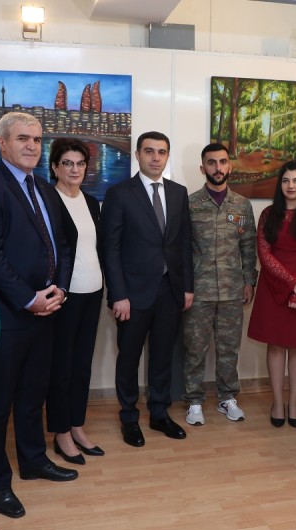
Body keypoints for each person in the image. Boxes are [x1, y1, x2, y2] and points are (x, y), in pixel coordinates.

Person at [0, 112, 76, 520]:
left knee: (32, 397)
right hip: (9, 315)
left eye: (37, 139)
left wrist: (59, 289)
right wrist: (29, 299)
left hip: (47, 310)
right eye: (22, 138)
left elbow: (63, 243)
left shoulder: (44, 188)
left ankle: (33, 460)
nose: (32, 146)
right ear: (2, 143)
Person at [101, 130, 194, 447]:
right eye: (149, 151)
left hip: (170, 291)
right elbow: (110, 249)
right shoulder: (119, 193)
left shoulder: (179, 193)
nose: (156, 157)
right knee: (128, 358)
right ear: (138, 154)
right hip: (132, 294)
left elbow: (184, 244)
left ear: (167, 156)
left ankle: (159, 413)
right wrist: (118, 294)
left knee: (162, 356)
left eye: (162, 152)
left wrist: (187, 287)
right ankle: (129, 417)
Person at [247, 159, 296, 428]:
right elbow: (264, 254)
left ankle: (294, 402)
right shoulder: (268, 215)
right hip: (273, 285)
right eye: (285, 180)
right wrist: (292, 281)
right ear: (279, 184)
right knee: (276, 345)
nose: (290, 185)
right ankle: (278, 403)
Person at [182, 143, 257, 426]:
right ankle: (194, 400)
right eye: (211, 163)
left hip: (231, 290)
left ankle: (227, 397)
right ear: (203, 168)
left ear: (230, 166)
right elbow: (182, 249)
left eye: (222, 162)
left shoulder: (242, 205)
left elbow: (248, 246)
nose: (217, 167)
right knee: (195, 349)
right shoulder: (189, 204)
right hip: (198, 292)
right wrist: (185, 287)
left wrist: (249, 281)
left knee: (228, 349)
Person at [45, 138, 105, 464]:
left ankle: (77, 426)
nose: (74, 169)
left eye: (80, 163)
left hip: (93, 292)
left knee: (82, 366)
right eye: (67, 163)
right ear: (55, 166)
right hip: (64, 296)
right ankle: (61, 433)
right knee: (62, 368)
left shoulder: (92, 202)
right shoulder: (48, 201)